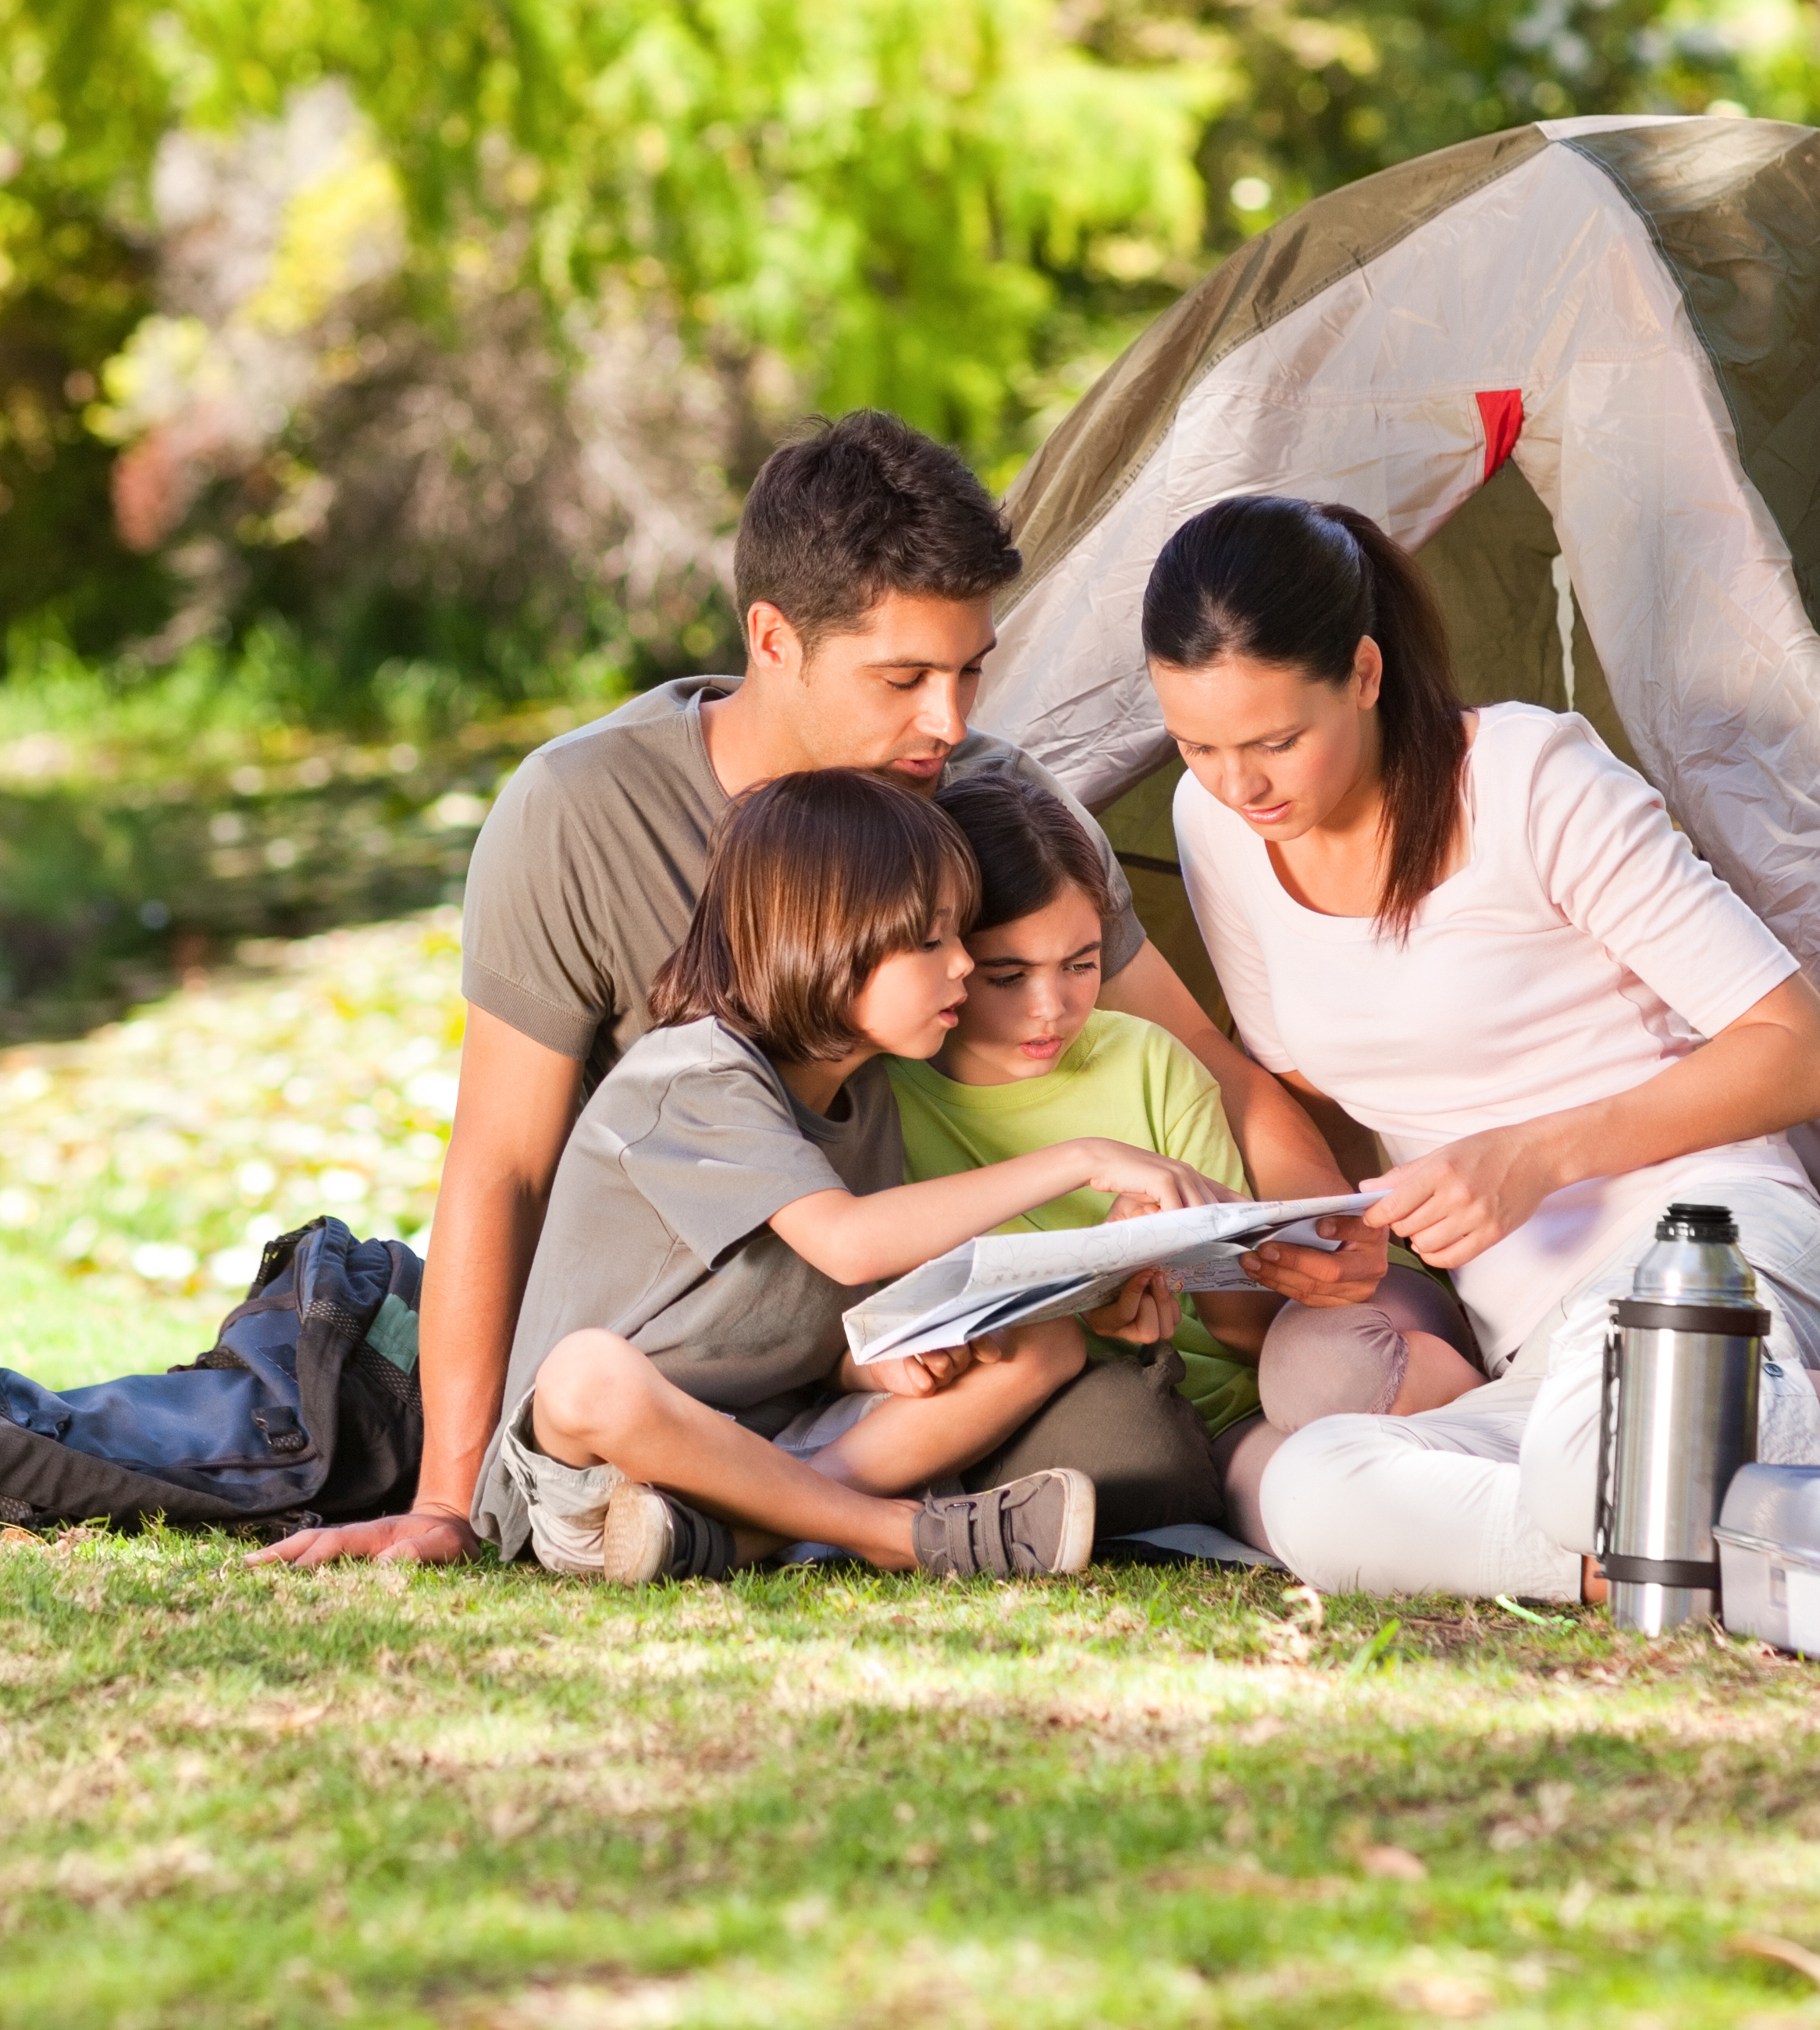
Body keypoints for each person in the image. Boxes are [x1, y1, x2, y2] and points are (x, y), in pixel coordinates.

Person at [258, 413, 1378, 1571]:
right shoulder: (582, 814)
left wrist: (1328, 1236)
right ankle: (825, 1523)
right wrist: (447, 1501)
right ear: (775, 640)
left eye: (971, 671)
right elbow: (503, 1166)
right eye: (903, 678)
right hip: (683, 1347)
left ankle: (737, 1523)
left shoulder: (992, 796)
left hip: (883, 1353)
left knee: (1127, 1441)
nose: (950, 723)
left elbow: (1204, 1059)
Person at [1143, 493, 1820, 1601]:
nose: (1242, 785)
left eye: (1278, 740)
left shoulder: (1530, 783)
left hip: (1712, 1252)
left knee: (1606, 1422)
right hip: (1542, 1359)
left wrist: (1536, 1156)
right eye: (1199, 746)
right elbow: (1305, 1081)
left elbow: (1805, 1054)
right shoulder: (1216, 825)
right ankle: (1627, 1559)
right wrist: (1336, 1230)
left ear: (1366, 676)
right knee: (1310, 1474)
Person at [482, 770, 1226, 1582]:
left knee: (1037, 1344)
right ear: (825, 944)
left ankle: (758, 1531)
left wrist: (875, 1364)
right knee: (585, 1374)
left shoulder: (864, 1092)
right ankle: (895, 1534)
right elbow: (845, 1245)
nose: (962, 969)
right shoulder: (689, 1078)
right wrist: (1080, 1158)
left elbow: (794, 1320)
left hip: (781, 1446)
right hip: (604, 1472)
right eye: (933, 942)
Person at [892, 751, 1469, 1534]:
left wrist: (1189, 1246)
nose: (1051, 1009)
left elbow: (1241, 1330)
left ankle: (1506, 1415)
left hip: (1258, 1379)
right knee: (1316, 1513)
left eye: (1081, 964)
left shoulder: (1144, 1058)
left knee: (1329, 1375)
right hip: (1154, 1431)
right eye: (1008, 976)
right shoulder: (893, 1099)